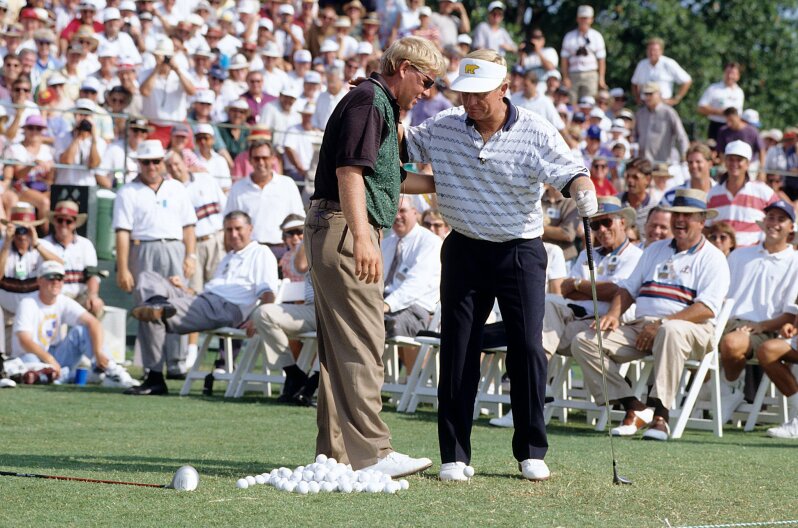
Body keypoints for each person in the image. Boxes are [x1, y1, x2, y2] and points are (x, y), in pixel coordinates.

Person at [404, 50, 598, 481]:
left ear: (504, 89)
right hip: (464, 248)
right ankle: (454, 455)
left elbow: (571, 171)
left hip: (520, 251)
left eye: (481, 94)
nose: (471, 102)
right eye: (465, 93)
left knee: (527, 346)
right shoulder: (445, 126)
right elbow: (400, 146)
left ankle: (531, 449)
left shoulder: (535, 129)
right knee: (458, 349)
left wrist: (584, 189)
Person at [306, 36, 445, 477]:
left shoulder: (374, 101)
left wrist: (446, 183)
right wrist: (365, 237)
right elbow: (350, 172)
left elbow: (390, 179)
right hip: (346, 227)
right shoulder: (370, 102)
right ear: (403, 67)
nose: (427, 92)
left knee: (340, 345)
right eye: (425, 81)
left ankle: (336, 454)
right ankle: (375, 454)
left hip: (336, 225)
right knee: (365, 341)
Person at [571, 189, 729, 441]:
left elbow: (707, 308)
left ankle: (661, 416)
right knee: (584, 340)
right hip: (643, 326)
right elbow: (628, 289)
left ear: (702, 221)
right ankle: (634, 406)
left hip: (692, 330)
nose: (680, 220)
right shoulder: (655, 250)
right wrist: (613, 314)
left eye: (687, 216)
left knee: (671, 330)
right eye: (677, 214)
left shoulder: (713, 257)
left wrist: (662, 323)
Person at [127, 210, 279, 395]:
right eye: (229, 230)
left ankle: (155, 377)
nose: (233, 234)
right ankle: (158, 303)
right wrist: (184, 290)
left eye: (238, 229)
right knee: (148, 277)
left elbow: (268, 291)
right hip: (203, 300)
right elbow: (210, 293)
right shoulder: (228, 257)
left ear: (250, 229)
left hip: (225, 308)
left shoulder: (260, 252)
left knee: (151, 311)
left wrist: (258, 316)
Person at [112, 140, 197, 379]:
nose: (151, 166)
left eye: (155, 161)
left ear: (163, 162)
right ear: (139, 163)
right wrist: (123, 267)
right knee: (148, 308)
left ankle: (177, 363)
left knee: (177, 304)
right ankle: (153, 366)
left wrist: (190, 254)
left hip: (174, 247)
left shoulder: (177, 188)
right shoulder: (127, 192)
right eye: (146, 161)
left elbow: (189, 226)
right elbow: (122, 232)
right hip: (144, 248)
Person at [716, 200, 798, 424]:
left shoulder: (795, 261)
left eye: (781, 219)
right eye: (770, 217)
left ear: (791, 227)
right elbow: (721, 295)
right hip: (726, 322)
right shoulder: (740, 255)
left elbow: (790, 315)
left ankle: (730, 390)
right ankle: (723, 391)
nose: (774, 223)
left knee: (732, 343)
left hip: (766, 330)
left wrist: (762, 326)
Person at [12, 259, 137, 387]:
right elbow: (24, 340)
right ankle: (75, 375)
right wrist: (49, 360)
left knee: (81, 331)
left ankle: (110, 369)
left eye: (59, 278)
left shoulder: (63, 300)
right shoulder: (28, 303)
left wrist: (98, 352)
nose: (55, 282)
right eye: (50, 277)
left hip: (56, 354)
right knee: (31, 368)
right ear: (39, 280)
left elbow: (94, 323)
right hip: (32, 356)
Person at [381, 196, 442, 373]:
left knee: (374, 323)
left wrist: (385, 305)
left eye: (402, 211)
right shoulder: (387, 243)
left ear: (415, 213)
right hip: (386, 305)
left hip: (417, 310)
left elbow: (415, 285)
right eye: (393, 211)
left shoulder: (429, 242)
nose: (397, 216)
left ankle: (415, 377)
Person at [223, 140, 305, 260]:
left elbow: (299, 221)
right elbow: (228, 224)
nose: (261, 162)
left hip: (282, 251)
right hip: (250, 252)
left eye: (265, 158)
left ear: (273, 159)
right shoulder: (238, 188)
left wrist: (293, 254)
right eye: (256, 158)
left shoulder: (287, 184)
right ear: (250, 160)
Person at [39, 201, 104, 318]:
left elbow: (92, 274)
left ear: (75, 223)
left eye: (69, 221)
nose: (64, 224)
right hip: (53, 297)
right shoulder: (43, 244)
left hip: (79, 297)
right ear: (54, 221)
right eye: (60, 220)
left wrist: (93, 295)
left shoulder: (85, 244)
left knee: (96, 306)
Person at [706, 141, 776, 247]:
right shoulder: (713, 194)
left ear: (747, 163)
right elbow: (706, 227)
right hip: (722, 257)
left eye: (739, 160)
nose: (734, 164)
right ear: (725, 161)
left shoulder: (764, 192)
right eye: (731, 159)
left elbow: (781, 221)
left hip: (753, 257)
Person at [560, 4, 606, 101]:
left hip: (590, 74)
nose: (584, 21)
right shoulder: (569, 36)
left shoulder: (597, 36)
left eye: (586, 18)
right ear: (577, 19)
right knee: (572, 102)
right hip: (573, 74)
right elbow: (564, 59)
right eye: (582, 18)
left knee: (589, 102)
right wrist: (565, 77)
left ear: (591, 20)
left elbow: (601, 60)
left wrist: (601, 78)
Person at [634, 82, 689, 164]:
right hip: (644, 163)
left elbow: (681, 136)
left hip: (663, 162)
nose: (647, 97)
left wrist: (685, 157)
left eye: (650, 94)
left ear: (659, 94)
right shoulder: (640, 114)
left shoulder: (668, 113)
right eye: (645, 94)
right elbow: (635, 136)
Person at [630, 37, 692, 106]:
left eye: (655, 50)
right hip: (645, 105)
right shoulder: (642, 64)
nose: (652, 53)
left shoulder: (669, 63)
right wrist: (637, 98)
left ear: (661, 51)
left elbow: (687, 80)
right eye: (650, 50)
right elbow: (634, 83)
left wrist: (676, 99)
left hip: (663, 104)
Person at [697, 62, 744, 141]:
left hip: (733, 128)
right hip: (716, 126)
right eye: (728, 72)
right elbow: (701, 108)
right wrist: (721, 112)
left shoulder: (739, 92)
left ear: (738, 76)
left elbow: (739, 114)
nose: (730, 76)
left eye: (733, 73)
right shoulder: (714, 88)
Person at [617, 157, 655, 237]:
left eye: (635, 177)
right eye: (628, 176)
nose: (630, 180)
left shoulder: (654, 209)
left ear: (648, 179)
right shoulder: (616, 203)